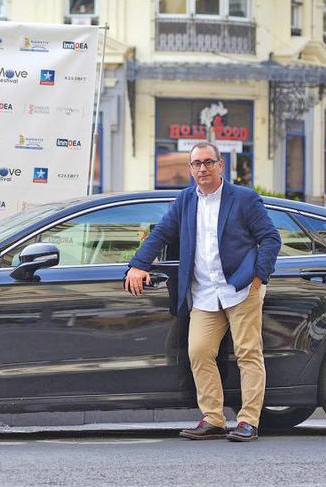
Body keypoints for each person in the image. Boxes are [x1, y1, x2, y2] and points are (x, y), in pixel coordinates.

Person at [124, 142, 281, 442]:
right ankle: (213, 418)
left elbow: (270, 238)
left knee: (248, 353)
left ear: (221, 165)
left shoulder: (244, 198)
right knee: (198, 351)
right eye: (196, 164)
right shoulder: (185, 200)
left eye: (209, 162)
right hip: (205, 293)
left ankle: (248, 420)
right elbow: (161, 233)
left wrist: (259, 277)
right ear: (190, 168)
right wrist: (138, 265)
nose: (203, 169)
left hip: (240, 288)